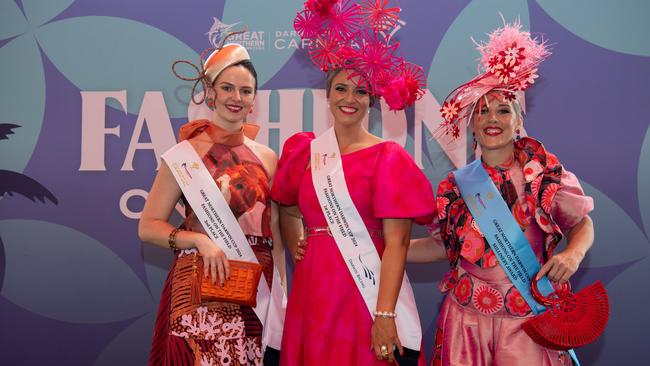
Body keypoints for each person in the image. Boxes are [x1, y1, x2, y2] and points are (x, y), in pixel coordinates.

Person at [418, 19, 595, 366]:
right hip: (466, 320)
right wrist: (382, 249)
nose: (491, 118)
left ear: (518, 121)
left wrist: (572, 256)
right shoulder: (458, 185)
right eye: (481, 111)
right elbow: (444, 246)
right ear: (471, 124)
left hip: (526, 320)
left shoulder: (542, 175)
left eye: (503, 110)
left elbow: (583, 224)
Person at [138, 40, 285, 366]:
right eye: (227, 88)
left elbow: (275, 232)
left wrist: (281, 293)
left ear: (253, 99)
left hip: (254, 291)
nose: (236, 98)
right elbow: (148, 227)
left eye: (245, 91)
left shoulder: (268, 157)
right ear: (211, 92)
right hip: (200, 285)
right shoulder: (184, 155)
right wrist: (199, 240)